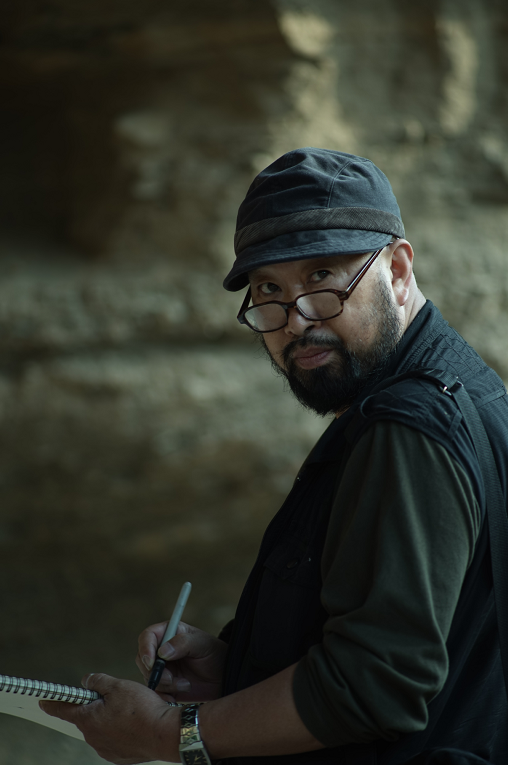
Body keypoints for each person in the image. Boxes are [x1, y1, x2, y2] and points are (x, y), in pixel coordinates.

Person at [42, 148, 508, 764]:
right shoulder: (465, 387)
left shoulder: (407, 430)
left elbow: (373, 688)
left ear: (397, 270)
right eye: (269, 290)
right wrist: (236, 668)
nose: (297, 319)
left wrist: (170, 732)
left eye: (322, 276)